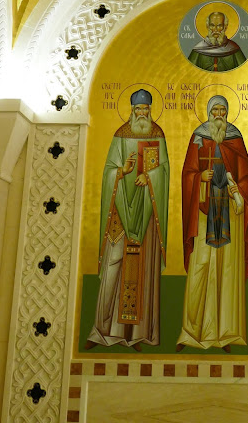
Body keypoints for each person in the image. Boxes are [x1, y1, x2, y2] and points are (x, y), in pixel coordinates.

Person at [84, 88, 169, 350]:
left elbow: (164, 170)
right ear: (132, 110)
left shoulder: (157, 134)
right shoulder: (120, 135)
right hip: (120, 213)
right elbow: (108, 171)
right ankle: (101, 331)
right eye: (138, 109)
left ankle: (134, 335)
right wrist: (122, 171)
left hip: (145, 215)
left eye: (146, 109)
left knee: (142, 272)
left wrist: (150, 177)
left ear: (151, 110)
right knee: (113, 268)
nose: (142, 113)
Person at [176, 95, 248, 352]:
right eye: (215, 110)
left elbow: (246, 177)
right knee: (201, 269)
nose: (219, 115)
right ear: (208, 113)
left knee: (227, 271)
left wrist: (237, 190)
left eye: (222, 110)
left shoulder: (235, 139)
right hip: (203, 212)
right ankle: (191, 332)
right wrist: (200, 178)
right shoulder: (198, 138)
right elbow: (187, 174)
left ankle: (225, 333)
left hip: (230, 211)